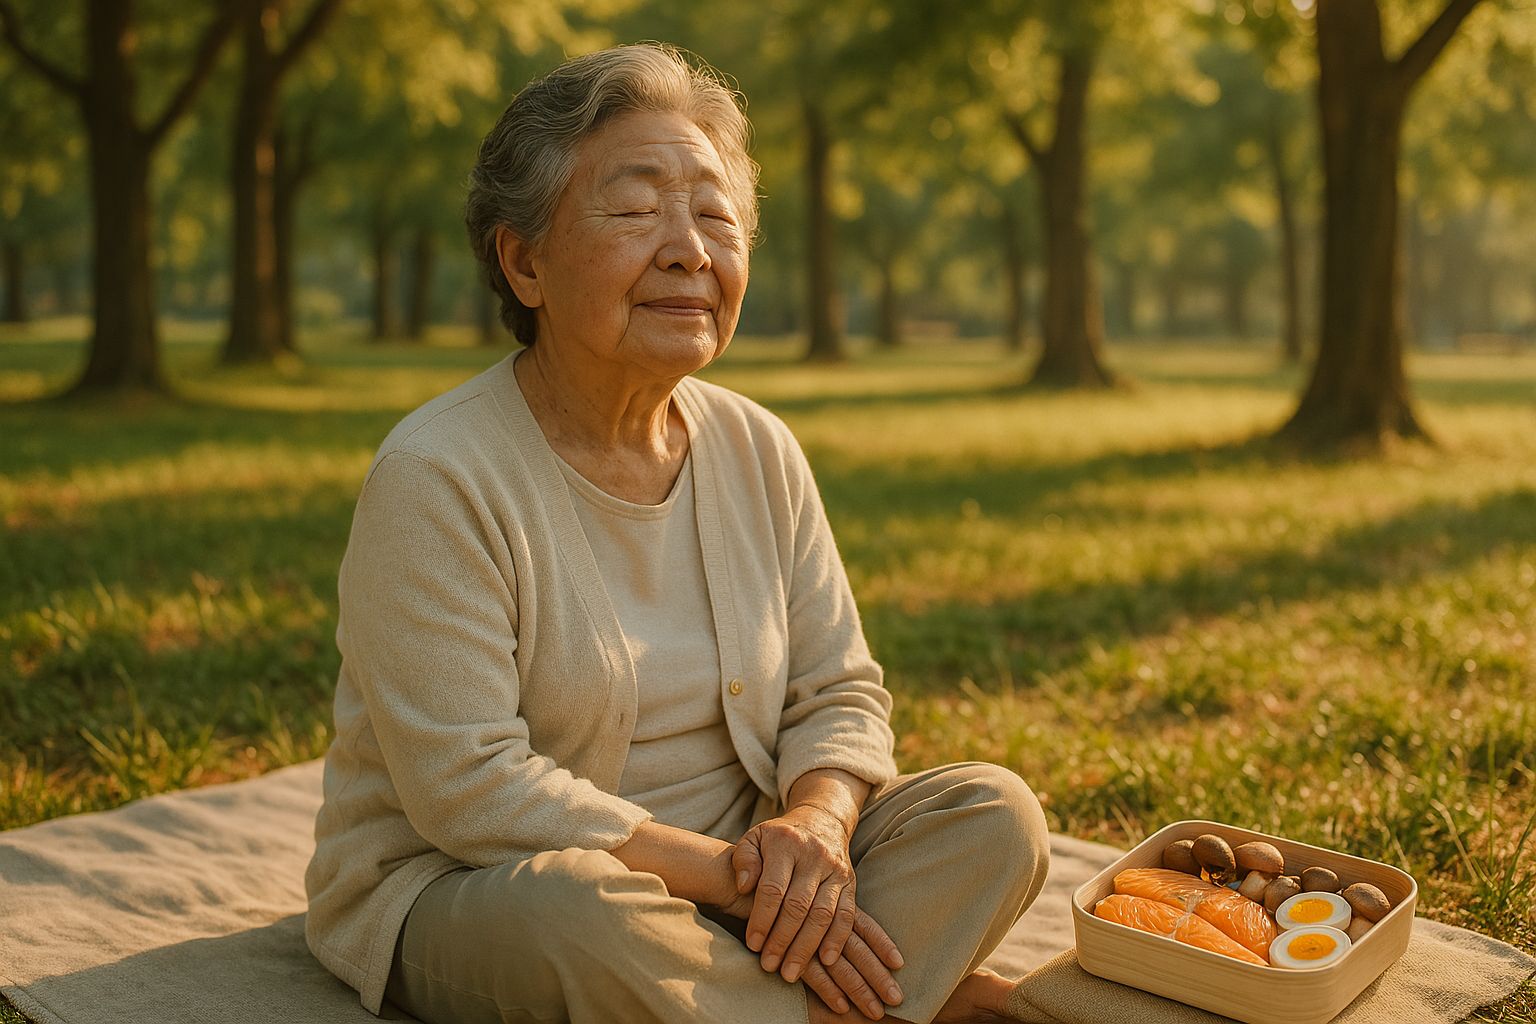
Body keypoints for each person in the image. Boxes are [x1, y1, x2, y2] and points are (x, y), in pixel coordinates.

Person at [303, 42, 1050, 1024]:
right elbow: (470, 790)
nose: (690, 249)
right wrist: (738, 878)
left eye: (715, 214)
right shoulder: (436, 473)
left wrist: (818, 828)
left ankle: (767, 997)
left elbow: (839, 691)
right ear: (524, 262)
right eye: (635, 209)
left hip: (758, 883)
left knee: (996, 816)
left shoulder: (757, 446)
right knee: (581, 918)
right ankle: (894, 998)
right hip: (487, 886)